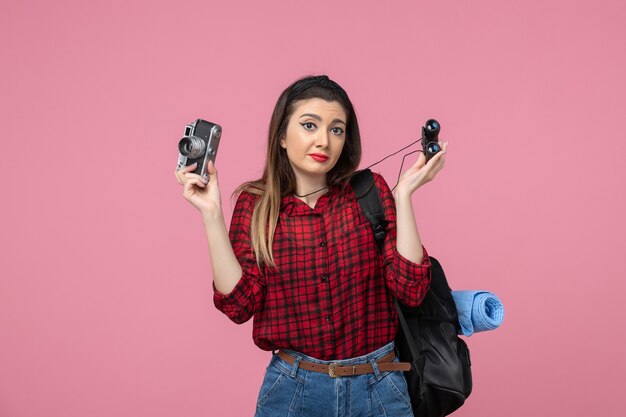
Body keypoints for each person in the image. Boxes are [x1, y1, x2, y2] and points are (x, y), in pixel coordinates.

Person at [174, 75, 448, 417]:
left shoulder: (370, 192)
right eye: (309, 125)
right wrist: (211, 214)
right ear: (282, 137)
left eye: (337, 129)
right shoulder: (255, 205)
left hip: (379, 389)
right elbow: (239, 306)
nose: (324, 141)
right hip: (292, 391)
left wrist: (404, 196)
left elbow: (410, 289)